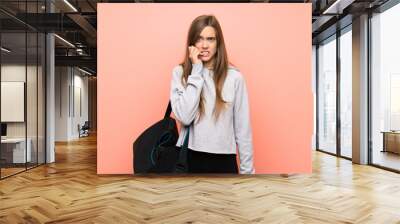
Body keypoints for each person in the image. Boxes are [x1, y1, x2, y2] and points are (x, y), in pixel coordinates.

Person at [170, 14, 255, 174]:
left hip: (224, 159)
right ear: (191, 44)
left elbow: (243, 129)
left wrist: (248, 173)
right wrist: (196, 71)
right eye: (199, 39)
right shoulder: (181, 73)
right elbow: (185, 117)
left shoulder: (234, 77)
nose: (204, 45)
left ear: (218, 43)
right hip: (188, 157)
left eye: (210, 39)